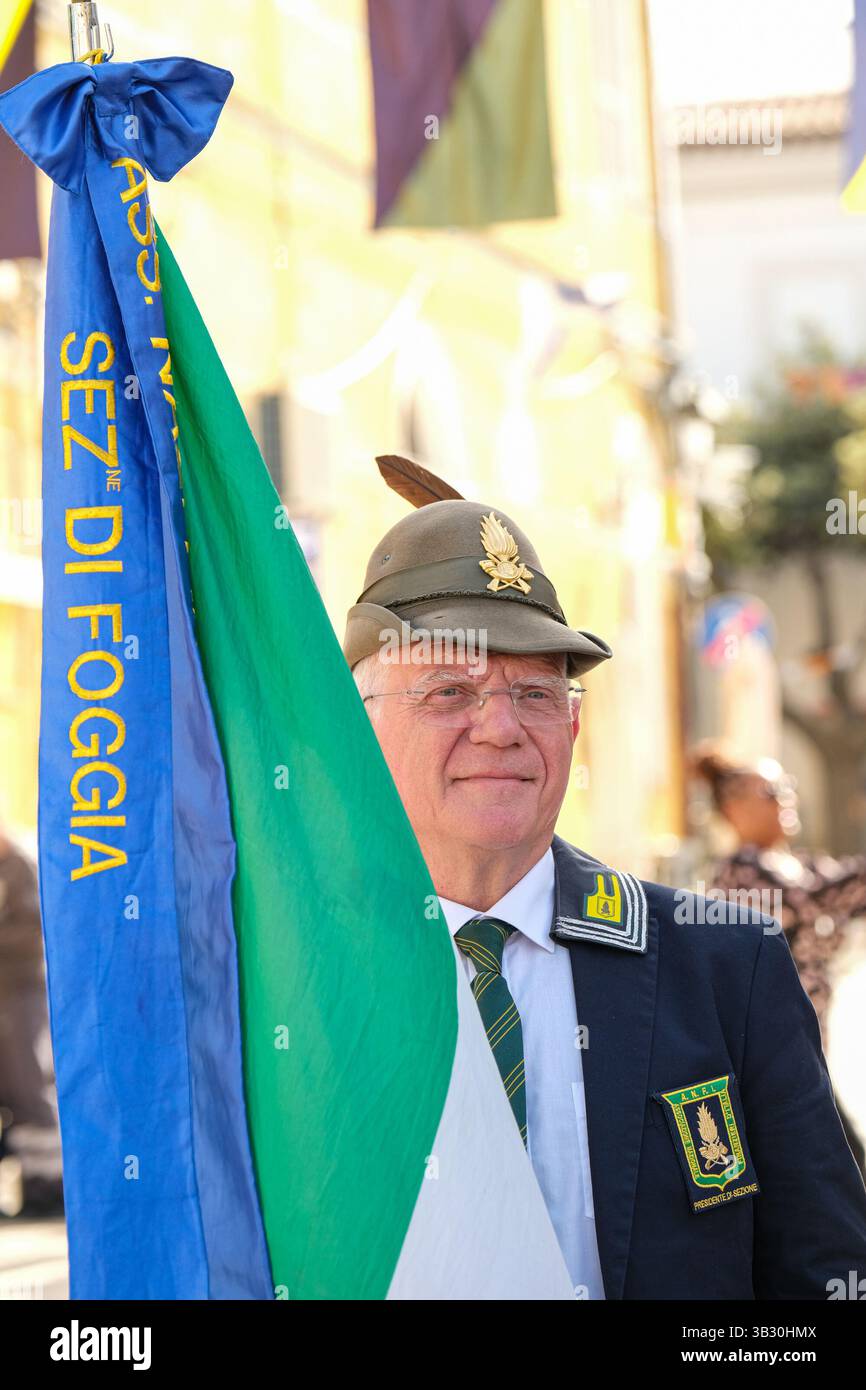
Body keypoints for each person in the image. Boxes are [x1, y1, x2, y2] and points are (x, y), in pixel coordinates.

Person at [341, 455, 866, 1300]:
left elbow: (825, 1272)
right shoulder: (289, 975)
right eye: (448, 692)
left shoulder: (725, 968)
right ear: (359, 729)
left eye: (535, 694)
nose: (501, 728)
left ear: (573, 729)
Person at [692, 743, 866, 1174]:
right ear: (734, 809)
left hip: (806, 1054)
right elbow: (814, 900)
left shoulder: (801, 865)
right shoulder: (741, 872)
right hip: (768, 1062)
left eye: (788, 787)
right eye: (771, 791)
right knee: (842, 1174)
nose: (786, 798)